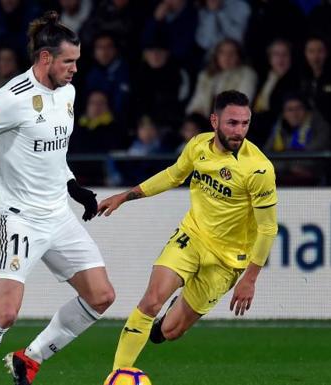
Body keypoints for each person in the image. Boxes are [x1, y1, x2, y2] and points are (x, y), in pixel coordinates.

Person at [0, 11, 115, 385]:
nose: (75, 69)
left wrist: (72, 184)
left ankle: (30, 358)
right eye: (68, 62)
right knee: (5, 314)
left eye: (77, 61)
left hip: (58, 213)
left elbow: (53, 152)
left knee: (102, 296)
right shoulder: (11, 98)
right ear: (45, 59)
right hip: (19, 217)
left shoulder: (68, 93)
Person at [97, 90, 278, 371]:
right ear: (214, 121)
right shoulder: (198, 146)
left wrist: (250, 279)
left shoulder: (259, 169)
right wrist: (125, 196)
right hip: (191, 237)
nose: (239, 131)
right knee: (150, 301)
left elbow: (267, 227)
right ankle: (117, 375)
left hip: (226, 261)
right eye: (232, 123)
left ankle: (169, 317)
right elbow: (172, 175)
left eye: (245, 123)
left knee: (170, 331)